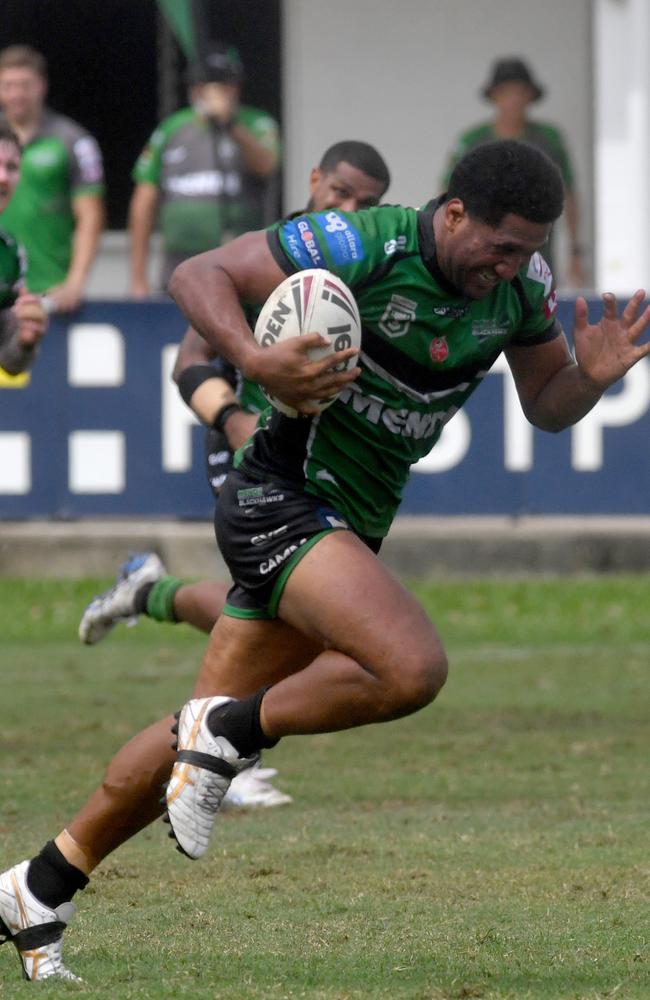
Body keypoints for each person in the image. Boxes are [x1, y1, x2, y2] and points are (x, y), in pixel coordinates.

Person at [3, 140, 650, 982]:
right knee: (410, 667)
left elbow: (548, 405)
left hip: (349, 521)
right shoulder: (363, 242)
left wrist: (590, 379)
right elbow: (197, 275)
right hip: (282, 496)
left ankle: (39, 886)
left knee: (184, 737)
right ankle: (230, 733)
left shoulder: (522, 293)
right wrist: (258, 358)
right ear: (454, 214)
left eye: (529, 249)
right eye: (500, 244)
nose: (512, 264)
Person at [74, 142, 391, 811]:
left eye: (366, 202)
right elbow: (191, 365)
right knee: (283, 612)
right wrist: (239, 423)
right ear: (314, 181)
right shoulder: (269, 258)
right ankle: (221, 752)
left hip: (318, 461)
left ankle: (149, 593)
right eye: (340, 192)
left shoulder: (364, 269)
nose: (349, 208)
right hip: (249, 451)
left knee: (278, 614)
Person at [128, 43, 280, 297]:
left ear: (236, 87)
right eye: (202, 85)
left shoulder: (257, 123)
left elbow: (266, 166)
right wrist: (138, 277)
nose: (209, 92)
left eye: (222, 84)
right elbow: (143, 201)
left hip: (242, 262)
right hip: (179, 263)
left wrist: (230, 123)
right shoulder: (172, 129)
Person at [441, 56, 584, 287]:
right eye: (506, 93)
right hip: (483, 249)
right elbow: (448, 194)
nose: (514, 100)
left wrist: (575, 252)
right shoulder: (472, 141)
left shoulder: (549, 139)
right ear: (494, 96)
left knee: (536, 304)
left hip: (538, 252)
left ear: (530, 96)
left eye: (520, 93)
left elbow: (569, 193)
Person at [0, 45, 105, 313]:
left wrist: (75, 281)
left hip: (49, 291)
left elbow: (90, 215)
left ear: (41, 87)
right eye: (8, 85)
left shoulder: (72, 140)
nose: (17, 94)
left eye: (25, 85)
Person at [0, 123, 47, 382]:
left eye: (12, 167)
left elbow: (9, 362)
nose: (3, 177)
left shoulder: (10, 255)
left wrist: (25, 339)